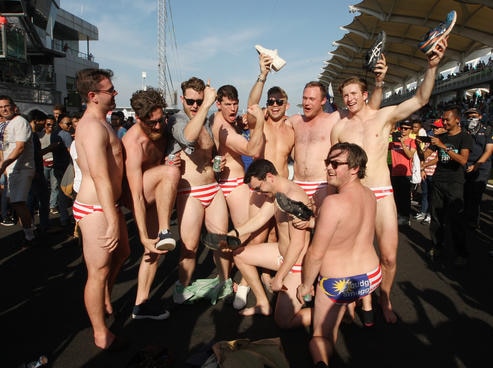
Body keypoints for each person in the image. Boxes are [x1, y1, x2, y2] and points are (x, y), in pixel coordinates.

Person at [330, 38, 448, 323]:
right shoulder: (340, 127)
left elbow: (420, 99)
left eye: (353, 93)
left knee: (389, 257)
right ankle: (358, 300)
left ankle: (384, 297)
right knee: (353, 255)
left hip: (381, 193)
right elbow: (333, 167)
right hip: (354, 197)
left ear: (364, 93)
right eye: (345, 95)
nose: (349, 99)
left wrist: (432, 66)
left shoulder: (383, 117)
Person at [296, 142, 381, 368]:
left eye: (335, 163)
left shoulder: (333, 203)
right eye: (327, 163)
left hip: (339, 284)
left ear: (355, 168)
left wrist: (305, 285)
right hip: (371, 278)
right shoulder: (370, 195)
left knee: (319, 338)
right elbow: (350, 230)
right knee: (345, 301)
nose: (329, 168)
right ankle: (348, 311)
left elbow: (315, 254)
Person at [74, 68, 130, 350]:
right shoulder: (92, 127)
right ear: (93, 96)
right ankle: (99, 332)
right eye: (110, 90)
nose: (115, 93)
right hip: (95, 207)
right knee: (98, 270)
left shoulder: (103, 122)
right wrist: (110, 218)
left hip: (108, 205)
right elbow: (99, 175)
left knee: (123, 253)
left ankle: (106, 297)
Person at [168, 77, 232, 304]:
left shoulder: (205, 120)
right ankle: (182, 289)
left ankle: (225, 283)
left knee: (220, 241)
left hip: (212, 188)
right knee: (190, 247)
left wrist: (217, 163)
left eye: (199, 101)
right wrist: (206, 105)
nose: (194, 105)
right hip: (190, 192)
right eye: (191, 101)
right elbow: (187, 137)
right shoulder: (177, 119)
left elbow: (209, 152)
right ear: (182, 99)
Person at [229, 158, 312, 330]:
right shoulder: (275, 193)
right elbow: (259, 220)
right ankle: (262, 303)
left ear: (270, 177)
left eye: (258, 188)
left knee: (283, 321)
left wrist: (279, 277)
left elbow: (297, 245)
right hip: (281, 254)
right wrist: (232, 234)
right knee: (239, 254)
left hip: (296, 263)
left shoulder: (294, 197)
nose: (258, 193)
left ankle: (332, 311)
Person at [122, 87, 181, 319]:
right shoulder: (133, 143)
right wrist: (143, 235)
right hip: (134, 194)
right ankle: (166, 231)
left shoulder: (163, 128)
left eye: (160, 120)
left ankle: (141, 304)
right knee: (169, 173)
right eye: (151, 123)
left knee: (154, 251)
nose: (157, 126)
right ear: (138, 119)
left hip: (156, 190)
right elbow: (135, 195)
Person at [427, 106, 473, 266]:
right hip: (438, 180)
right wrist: (425, 144)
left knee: (456, 219)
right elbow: (424, 155)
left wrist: (443, 146)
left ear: (457, 120)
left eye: (447, 119)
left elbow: (462, 160)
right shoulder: (441, 136)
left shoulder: (464, 137)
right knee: (436, 218)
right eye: (443, 119)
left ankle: (461, 253)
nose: (444, 122)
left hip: (455, 181)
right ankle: (437, 246)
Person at [0, 95, 36, 246]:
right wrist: (5, 165)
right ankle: (29, 229)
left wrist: (4, 164)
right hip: (12, 169)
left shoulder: (20, 122)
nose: (4, 109)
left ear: (14, 107)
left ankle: (30, 235)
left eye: (6, 106)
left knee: (18, 203)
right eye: (1, 108)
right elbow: (4, 147)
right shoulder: (7, 124)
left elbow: (20, 147)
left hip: (23, 169)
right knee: (15, 202)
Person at [462, 107, 493, 230]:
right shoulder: (464, 130)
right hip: (466, 164)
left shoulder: (488, 130)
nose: (471, 118)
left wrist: (476, 165)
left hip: (481, 167)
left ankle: (474, 221)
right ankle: (464, 217)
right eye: (469, 116)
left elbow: (489, 150)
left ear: (480, 116)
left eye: (474, 116)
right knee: (465, 193)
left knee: (476, 194)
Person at [415, 119, 445, 224]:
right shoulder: (430, 139)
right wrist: (418, 145)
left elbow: (439, 158)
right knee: (425, 193)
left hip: (436, 172)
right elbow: (424, 155)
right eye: (433, 127)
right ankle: (423, 211)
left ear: (444, 128)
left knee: (434, 196)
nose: (434, 129)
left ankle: (430, 214)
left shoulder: (443, 141)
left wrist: (425, 166)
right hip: (426, 171)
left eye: (437, 127)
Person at [389, 120, 416, 225]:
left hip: (406, 173)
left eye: (406, 128)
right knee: (396, 196)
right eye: (402, 128)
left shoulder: (412, 141)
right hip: (394, 172)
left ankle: (405, 217)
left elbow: (410, 155)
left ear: (410, 130)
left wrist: (402, 144)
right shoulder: (393, 140)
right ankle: (398, 215)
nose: (403, 130)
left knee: (405, 197)